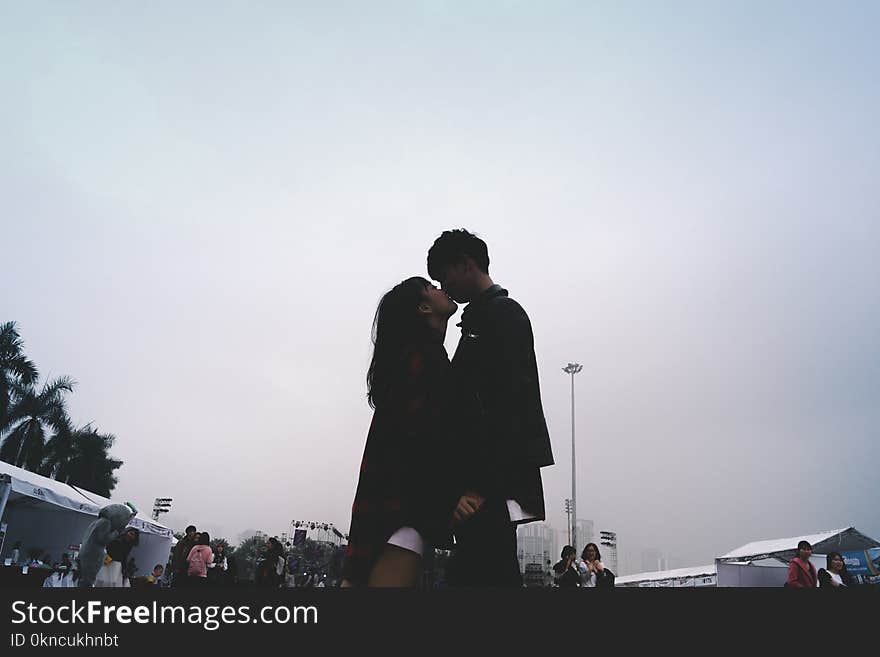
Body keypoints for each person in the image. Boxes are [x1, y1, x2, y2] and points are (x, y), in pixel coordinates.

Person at [427, 229, 554, 587]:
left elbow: (510, 409)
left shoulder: (503, 316)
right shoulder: (480, 320)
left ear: (465, 265)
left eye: (444, 276)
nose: (444, 286)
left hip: (487, 491)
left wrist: (479, 488)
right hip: (481, 486)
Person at [341, 276, 462, 587]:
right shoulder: (422, 360)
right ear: (423, 308)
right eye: (431, 288)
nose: (440, 287)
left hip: (391, 506)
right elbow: (427, 438)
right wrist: (455, 496)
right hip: (402, 509)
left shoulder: (414, 358)